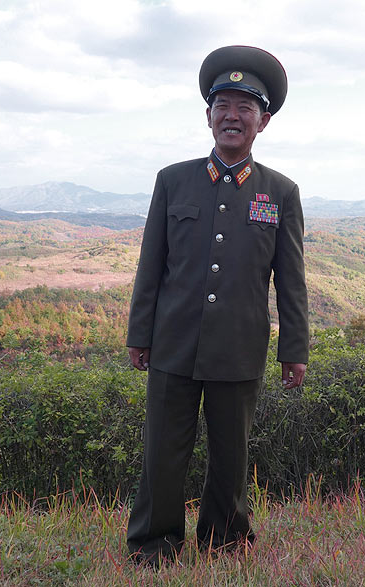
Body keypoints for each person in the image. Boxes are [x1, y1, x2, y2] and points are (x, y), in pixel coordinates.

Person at [125, 45, 309, 565]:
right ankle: (154, 545)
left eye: (245, 107)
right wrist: (140, 334)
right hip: (173, 343)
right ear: (208, 115)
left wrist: (294, 349)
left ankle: (225, 542)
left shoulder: (281, 192)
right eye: (223, 105)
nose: (232, 116)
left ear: (263, 121)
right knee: (163, 453)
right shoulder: (173, 180)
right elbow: (151, 266)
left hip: (239, 347)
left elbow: (291, 281)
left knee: (231, 457)